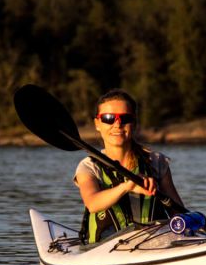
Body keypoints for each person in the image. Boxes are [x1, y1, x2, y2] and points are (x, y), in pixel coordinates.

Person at [74, 89, 185, 243]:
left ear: (134, 123)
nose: (117, 124)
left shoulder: (156, 162)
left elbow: (177, 211)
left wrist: (205, 228)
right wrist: (127, 187)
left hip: (155, 244)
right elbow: (92, 204)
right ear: (97, 124)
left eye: (125, 118)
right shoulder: (88, 167)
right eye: (108, 118)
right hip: (105, 249)